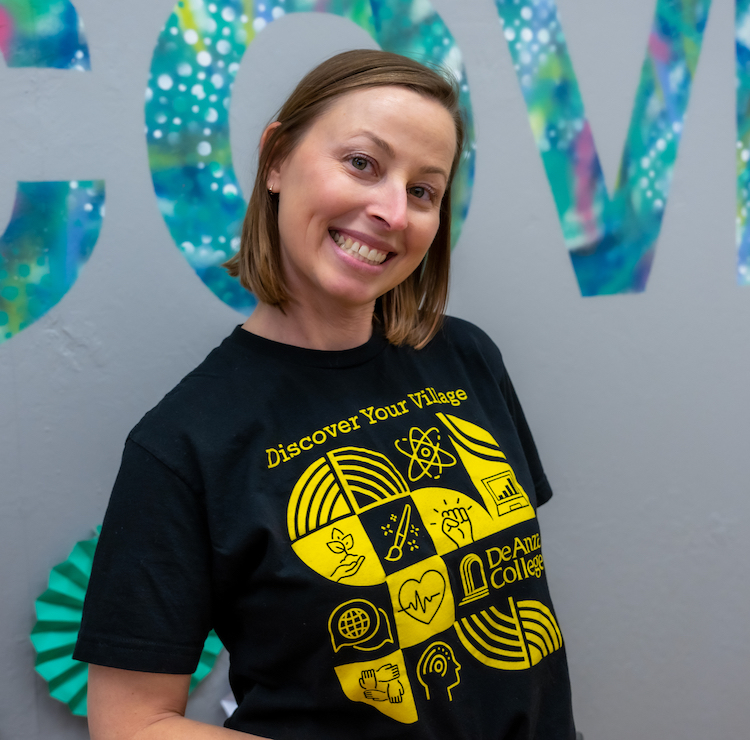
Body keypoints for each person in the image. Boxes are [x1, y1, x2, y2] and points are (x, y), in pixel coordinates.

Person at [75, 49, 577, 740]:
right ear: (276, 159)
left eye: (424, 191)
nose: (392, 211)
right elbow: (128, 723)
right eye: (363, 164)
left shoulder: (467, 358)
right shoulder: (185, 444)